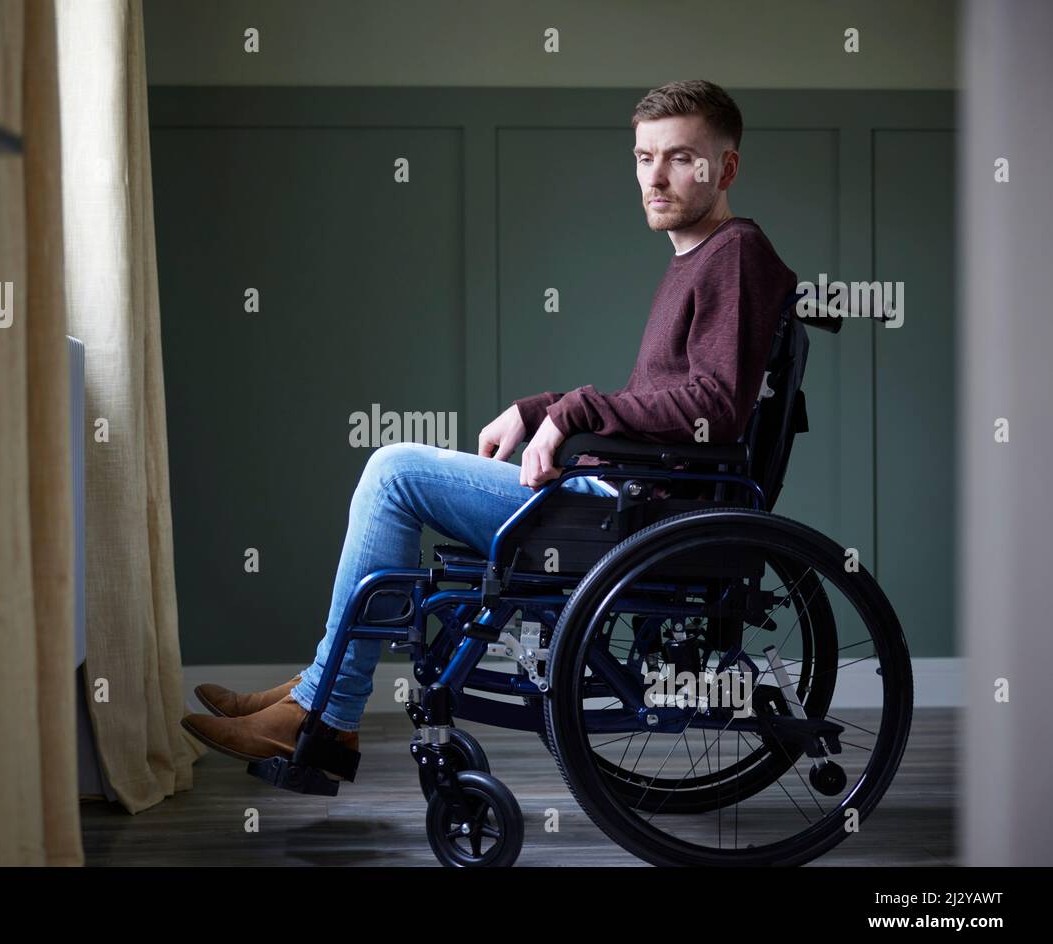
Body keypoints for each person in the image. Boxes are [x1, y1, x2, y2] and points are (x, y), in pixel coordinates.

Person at [180, 79, 798, 766]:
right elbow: (663, 404)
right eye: (643, 157)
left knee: (394, 471)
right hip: (625, 496)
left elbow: (712, 408)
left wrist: (577, 411)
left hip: (638, 514)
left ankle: (322, 713)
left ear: (727, 168)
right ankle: (317, 691)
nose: (655, 176)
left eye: (681, 158)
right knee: (396, 472)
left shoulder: (734, 254)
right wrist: (539, 409)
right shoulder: (699, 258)